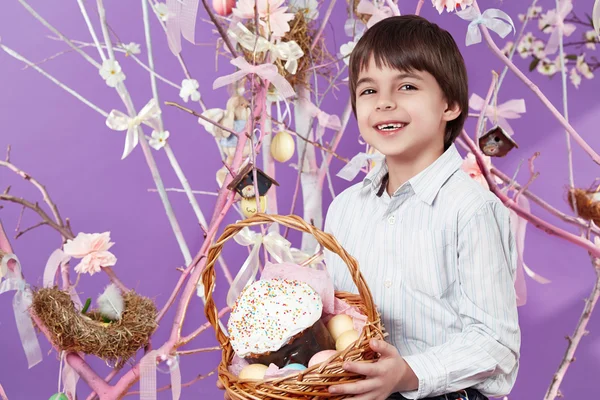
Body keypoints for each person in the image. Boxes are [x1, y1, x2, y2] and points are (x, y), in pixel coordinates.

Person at [322, 15, 520, 400]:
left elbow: (495, 342)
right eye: (368, 91)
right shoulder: (343, 209)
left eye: (407, 86)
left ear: (449, 105)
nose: (385, 103)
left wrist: (409, 372)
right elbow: (336, 315)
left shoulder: (470, 208)